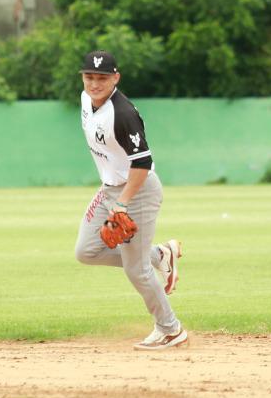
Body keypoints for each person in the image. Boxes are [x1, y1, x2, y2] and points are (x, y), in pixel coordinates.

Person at [73, 50, 187, 350]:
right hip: (110, 188)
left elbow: (142, 164)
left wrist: (122, 202)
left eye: (102, 78)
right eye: (89, 77)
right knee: (86, 251)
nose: (94, 83)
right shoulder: (87, 100)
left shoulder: (122, 115)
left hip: (137, 191)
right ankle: (159, 255)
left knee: (135, 270)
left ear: (116, 78)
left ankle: (171, 329)